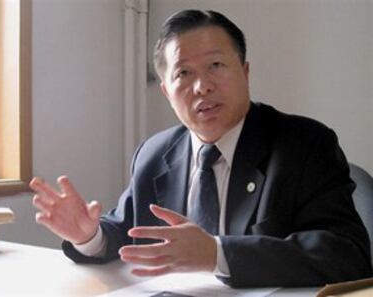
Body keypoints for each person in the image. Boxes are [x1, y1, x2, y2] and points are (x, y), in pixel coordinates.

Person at [30, 10, 372, 287]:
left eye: (216, 66)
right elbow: (124, 233)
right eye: (184, 74)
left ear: (245, 71)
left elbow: (348, 253)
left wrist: (217, 253)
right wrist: (89, 236)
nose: (202, 86)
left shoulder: (304, 144)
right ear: (166, 92)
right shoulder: (155, 152)